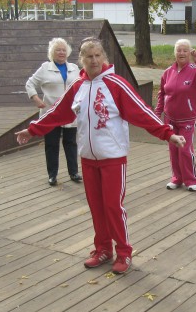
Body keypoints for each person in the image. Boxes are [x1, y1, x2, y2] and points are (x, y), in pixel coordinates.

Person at [15, 38, 186, 275]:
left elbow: (142, 112)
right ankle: (103, 249)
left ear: (104, 57)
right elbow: (57, 112)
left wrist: (168, 134)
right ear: (81, 60)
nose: (94, 61)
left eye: (97, 56)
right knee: (96, 207)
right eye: (89, 57)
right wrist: (32, 129)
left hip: (113, 157)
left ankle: (123, 253)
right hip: (87, 158)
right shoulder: (78, 86)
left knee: (112, 206)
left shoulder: (116, 84)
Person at [154, 39, 196, 192]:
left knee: (185, 150)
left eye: (185, 50)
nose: (181, 53)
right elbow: (162, 93)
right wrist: (157, 112)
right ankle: (177, 178)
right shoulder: (168, 72)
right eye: (179, 50)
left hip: (187, 119)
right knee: (173, 150)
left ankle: (192, 180)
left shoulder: (195, 70)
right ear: (175, 53)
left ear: (190, 53)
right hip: (170, 119)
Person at [25, 37, 81, 186]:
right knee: (51, 144)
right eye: (58, 50)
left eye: (63, 50)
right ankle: (52, 175)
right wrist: (35, 98)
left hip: (70, 113)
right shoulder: (45, 68)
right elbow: (30, 83)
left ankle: (74, 172)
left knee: (71, 143)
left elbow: (83, 85)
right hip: (51, 112)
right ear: (52, 53)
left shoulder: (75, 68)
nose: (61, 53)